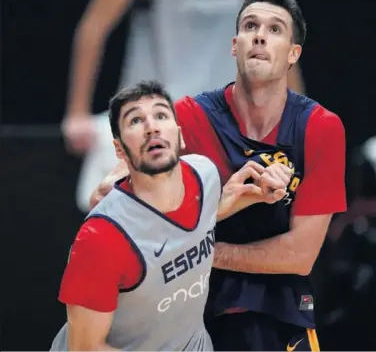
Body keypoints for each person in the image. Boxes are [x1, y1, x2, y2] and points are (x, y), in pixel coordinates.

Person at [89, 0, 347, 351]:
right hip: (188, 308)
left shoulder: (320, 127)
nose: (259, 35)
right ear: (234, 45)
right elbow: (105, 195)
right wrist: (118, 185)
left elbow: (299, 256)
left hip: (274, 310)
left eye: (275, 29)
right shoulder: (189, 116)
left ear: (293, 54)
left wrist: (194, 250)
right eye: (250, 26)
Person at [50, 80, 291, 351]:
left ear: (179, 135)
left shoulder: (205, 175)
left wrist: (256, 194)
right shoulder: (101, 239)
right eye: (135, 120)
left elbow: (194, 224)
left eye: (161, 115)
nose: (151, 126)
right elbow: (86, 348)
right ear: (119, 150)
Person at [62, 0, 306, 155]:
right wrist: (77, 112)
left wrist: (298, 115)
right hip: (162, 115)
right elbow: (94, 28)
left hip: (230, 118)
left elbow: (280, 38)